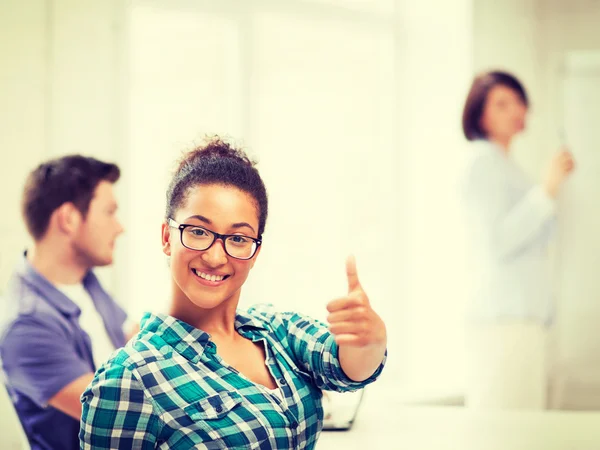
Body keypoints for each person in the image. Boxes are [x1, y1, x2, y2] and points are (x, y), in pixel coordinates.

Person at [80, 138, 387, 449]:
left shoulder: (278, 332)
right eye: (198, 231)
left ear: (255, 252)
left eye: (238, 238)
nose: (215, 257)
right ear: (167, 237)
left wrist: (369, 341)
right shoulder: (130, 377)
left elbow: (347, 367)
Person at [0, 155, 134, 450]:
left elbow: (131, 338)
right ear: (69, 218)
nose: (119, 227)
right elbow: (116, 417)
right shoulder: (26, 326)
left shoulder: (84, 279)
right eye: (109, 212)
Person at [461, 71, 575, 409]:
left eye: (519, 101)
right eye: (501, 104)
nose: (516, 111)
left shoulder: (509, 165)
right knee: (503, 428)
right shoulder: (482, 161)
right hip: (503, 316)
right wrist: (547, 190)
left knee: (521, 427)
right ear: (479, 113)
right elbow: (498, 241)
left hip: (524, 316)